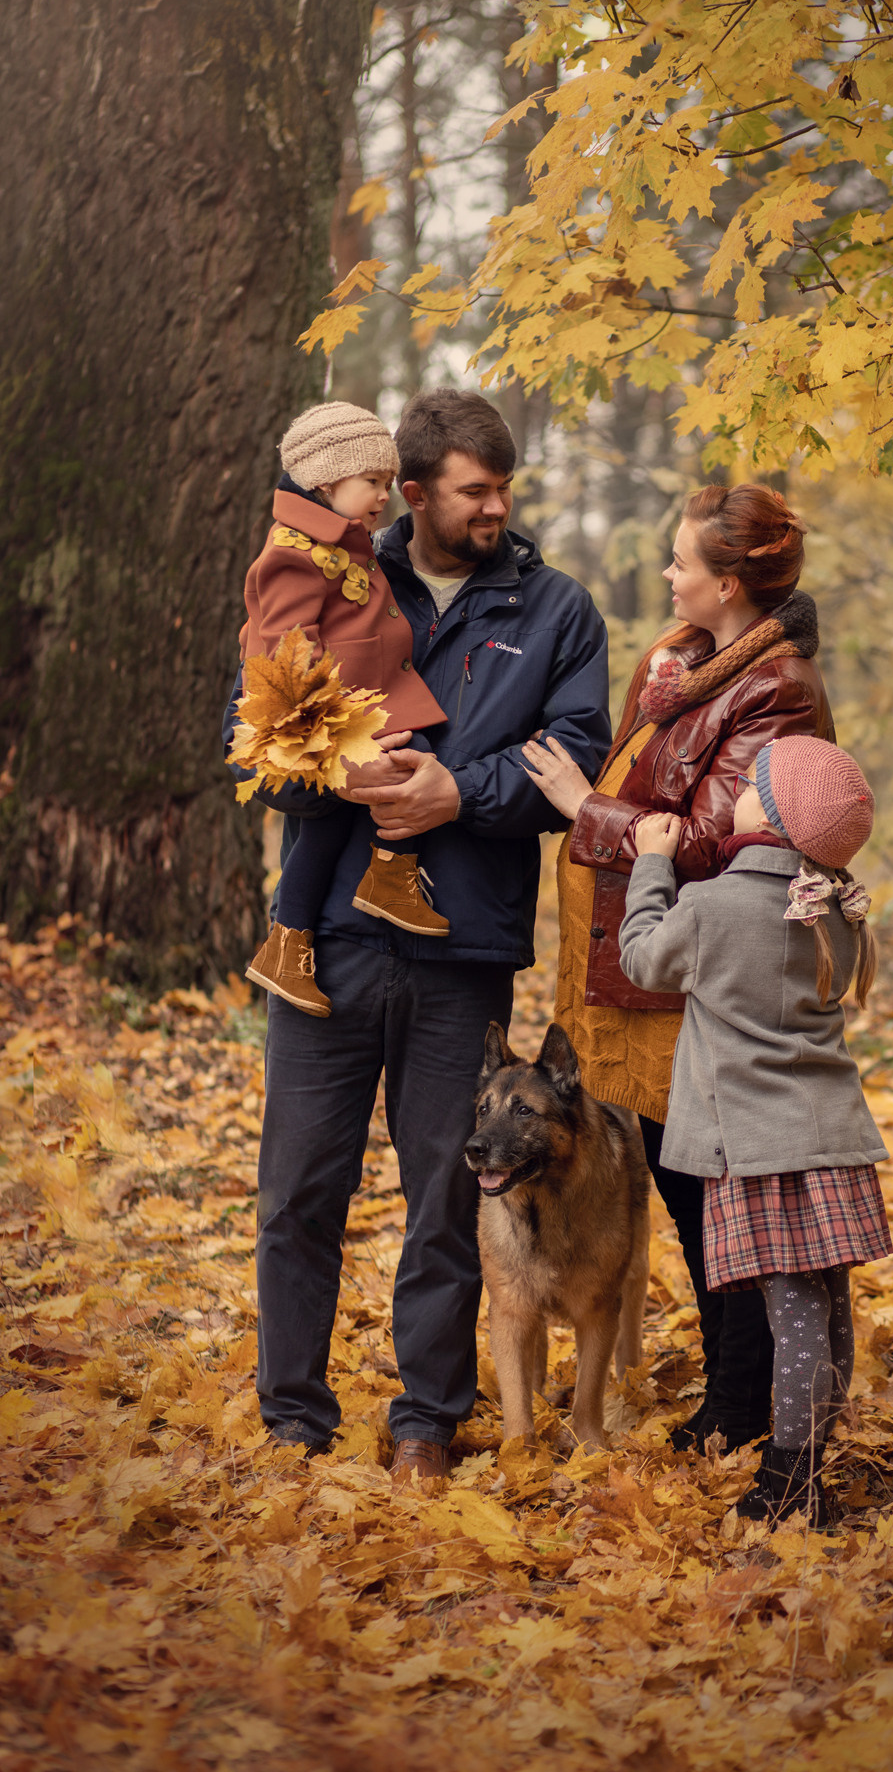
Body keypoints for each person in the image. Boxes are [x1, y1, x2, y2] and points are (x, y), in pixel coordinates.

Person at [223, 389, 611, 1475]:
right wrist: (344, 773)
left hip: (465, 947)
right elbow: (245, 725)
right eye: (474, 491)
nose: (496, 509)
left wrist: (460, 793)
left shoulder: (558, 612)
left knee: (451, 1191)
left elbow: (578, 759)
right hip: (328, 946)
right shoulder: (335, 574)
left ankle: (426, 1421)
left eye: (505, 491)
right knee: (300, 1188)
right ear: (412, 490)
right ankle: (292, 1420)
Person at [522, 483, 835, 1453]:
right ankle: (730, 1395)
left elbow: (715, 840)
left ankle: (742, 1408)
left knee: (712, 1197)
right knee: (684, 1183)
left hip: (699, 977)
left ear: (731, 582)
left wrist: (586, 808)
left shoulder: (776, 691)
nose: (668, 573)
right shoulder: (683, 666)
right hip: (642, 966)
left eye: (683, 562)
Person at [618, 734, 891, 1528]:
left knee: (793, 1313)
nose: (734, 788)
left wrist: (652, 865)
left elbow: (642, 960)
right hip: (826, 1137)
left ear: (769, 813)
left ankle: (791, 1481)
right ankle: (812, 1457)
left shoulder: (713, 906)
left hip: (755, 1144)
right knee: (827, 1305)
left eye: (750, 784)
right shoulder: (834, 908)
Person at [239, 402, 452, 1020]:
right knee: (325, 824)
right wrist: (316, 729)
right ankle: (287, 942)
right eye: (373, 484)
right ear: (326, 483)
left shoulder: (342, 539)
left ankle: (386, 877)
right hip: (331, 717)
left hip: (371, 701)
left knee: (412, 765)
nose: (384, 496)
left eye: (388, 483)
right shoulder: (293, 553)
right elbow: (283, 647)